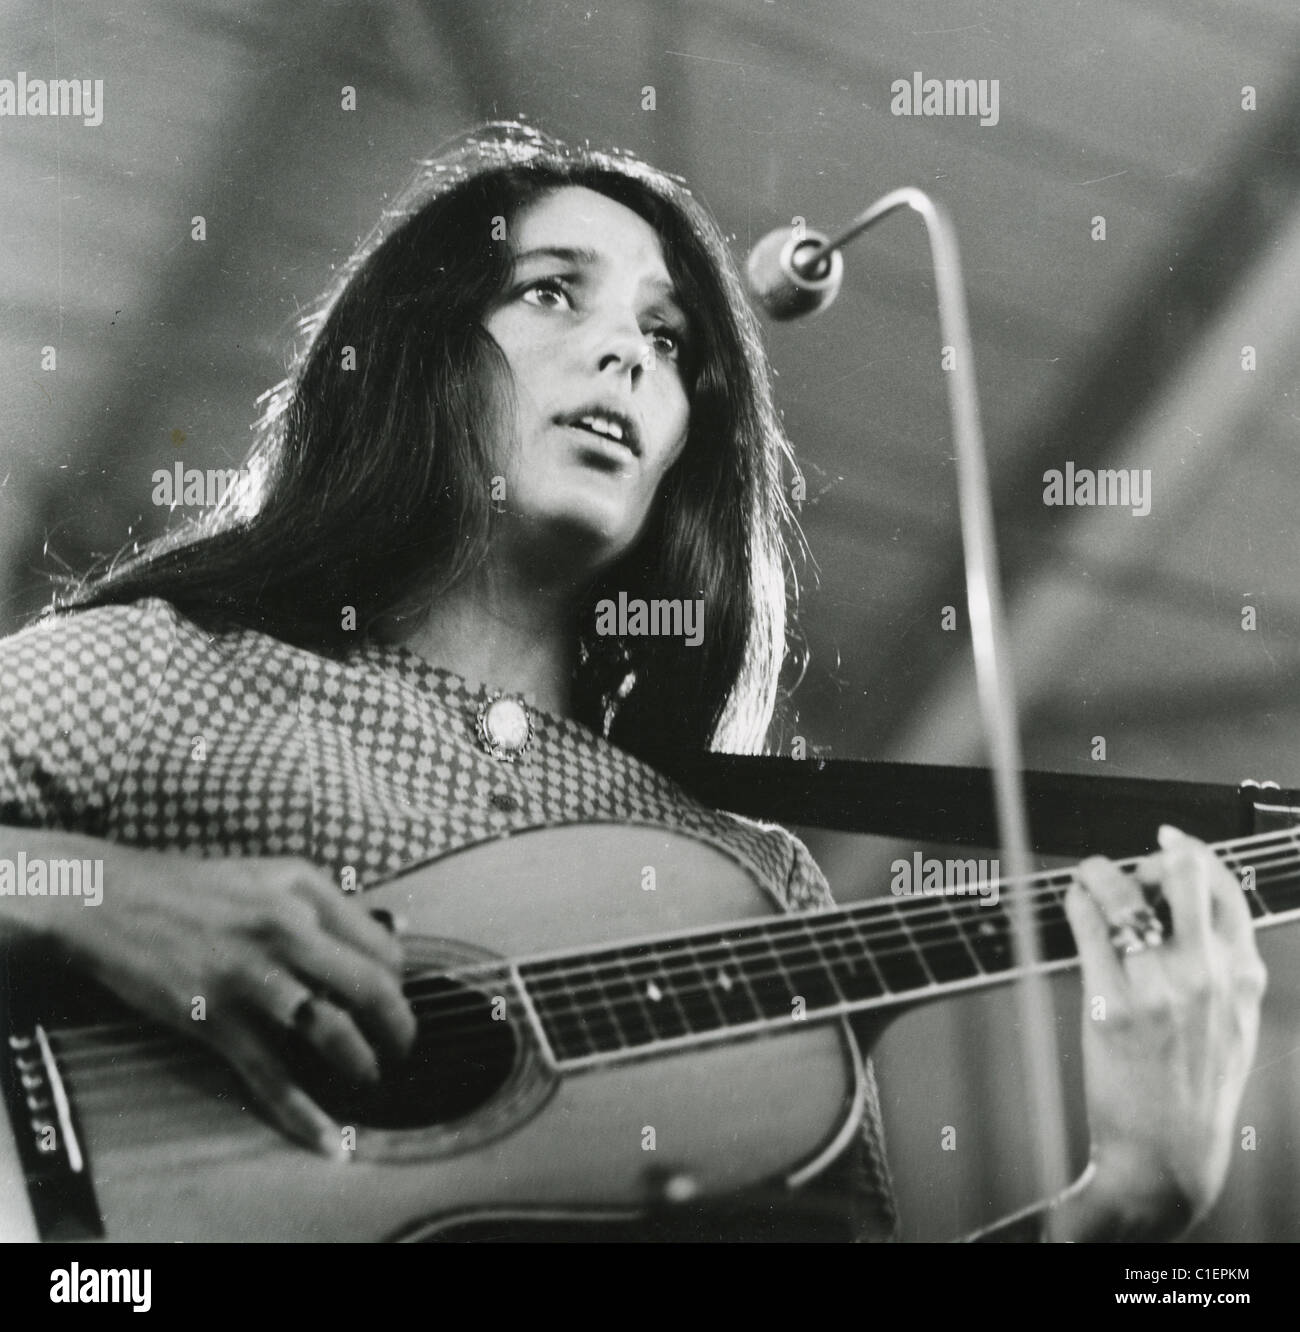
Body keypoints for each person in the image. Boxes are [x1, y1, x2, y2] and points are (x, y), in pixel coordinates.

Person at [0, 123, 1266, 1242]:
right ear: (419, 355)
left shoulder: (746, 877)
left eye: (667, 340)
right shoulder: (177, 672)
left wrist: (1126, 1203)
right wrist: (105, 895)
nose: (627, 358)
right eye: (555, 294)